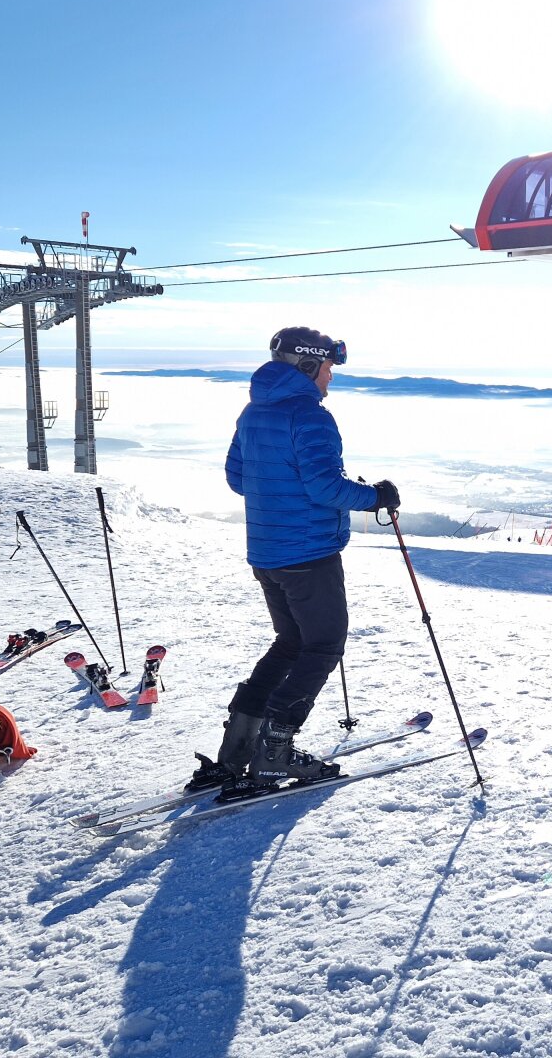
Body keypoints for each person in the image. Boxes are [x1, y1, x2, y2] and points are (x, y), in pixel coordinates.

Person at [188, 326, 399, 803]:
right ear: (308, 365)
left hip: (267, 552)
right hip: (308, 554)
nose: (331, 377)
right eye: (328, 367)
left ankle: (237, 748)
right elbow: (326, 489)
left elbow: (238, 479)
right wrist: (376, 496)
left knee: (290, 645)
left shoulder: (254, 411)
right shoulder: (310, 415)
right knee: (323, 646)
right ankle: (275, 749)